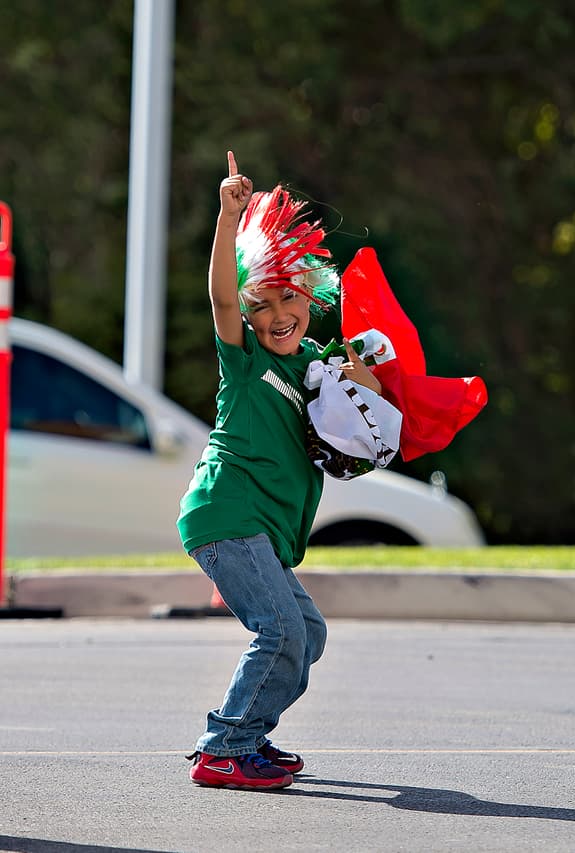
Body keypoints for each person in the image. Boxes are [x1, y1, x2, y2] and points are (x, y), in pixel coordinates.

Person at [178, 151, 382, 790]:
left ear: (310, 295)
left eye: (289, 296)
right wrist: (227, 217)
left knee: (307, 635)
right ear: (247, 313)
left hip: (263, 527)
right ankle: (224, 748)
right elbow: (219, 297)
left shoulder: (315, 363)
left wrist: (363, 370)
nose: (277, 313)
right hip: (227, 513)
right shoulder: (244, 359)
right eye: (261, 304)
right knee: (280, 631)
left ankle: (250, 736)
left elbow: (367, 405)